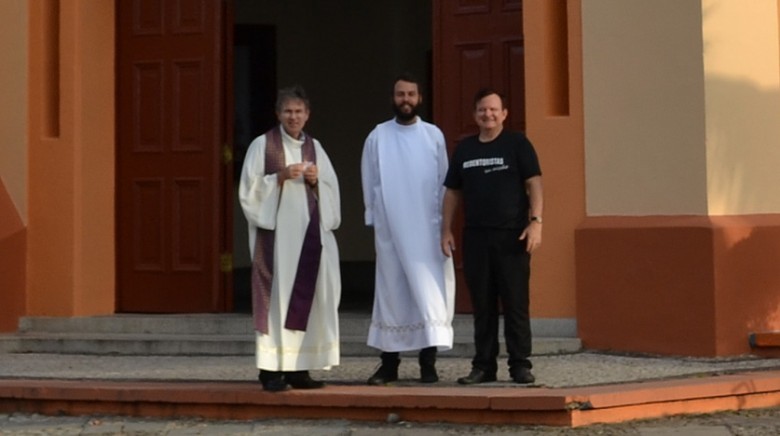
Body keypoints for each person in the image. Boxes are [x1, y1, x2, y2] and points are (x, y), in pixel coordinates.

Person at [239, 85, 341, 392]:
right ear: (278, 114)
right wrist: (279, 177)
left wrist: (316, 181)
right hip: (276, 243)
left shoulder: (315, 148)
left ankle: (299, 369)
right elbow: (249, 191)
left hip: (308, 238)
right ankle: (270, 371)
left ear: (307, 115)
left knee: (308, 298)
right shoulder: (262, 145)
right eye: (288, 111)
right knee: (277, 300)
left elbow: (332, 190)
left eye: (298, 111)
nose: (293, 117)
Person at [441, 88, 543, 385]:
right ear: (475, 115)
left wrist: (536, 222)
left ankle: (520, 365)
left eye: (494, 110)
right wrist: (445, 229)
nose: (488, 115)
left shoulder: (517, 144)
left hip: (513, 237)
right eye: (482, 110)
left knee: (515, 303)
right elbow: (452, 192)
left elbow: (534, 183)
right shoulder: (465, 149)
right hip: (476, 238)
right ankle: (483, 366)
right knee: (482, 306)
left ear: (504, 114)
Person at [360, 73, 455, 385]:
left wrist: (444, 225)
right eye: (400, 94)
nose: (406, 100)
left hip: (428, 230)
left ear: (420, 98)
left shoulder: (433, 136)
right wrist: (375, 221)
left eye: (411, 94)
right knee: (392, 294)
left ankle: (428, 363)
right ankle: (389, 364)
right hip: (391, 230)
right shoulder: (378, 136)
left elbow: (445, 183)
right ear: (393, 98)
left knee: (428, 293)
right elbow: (370, 180)